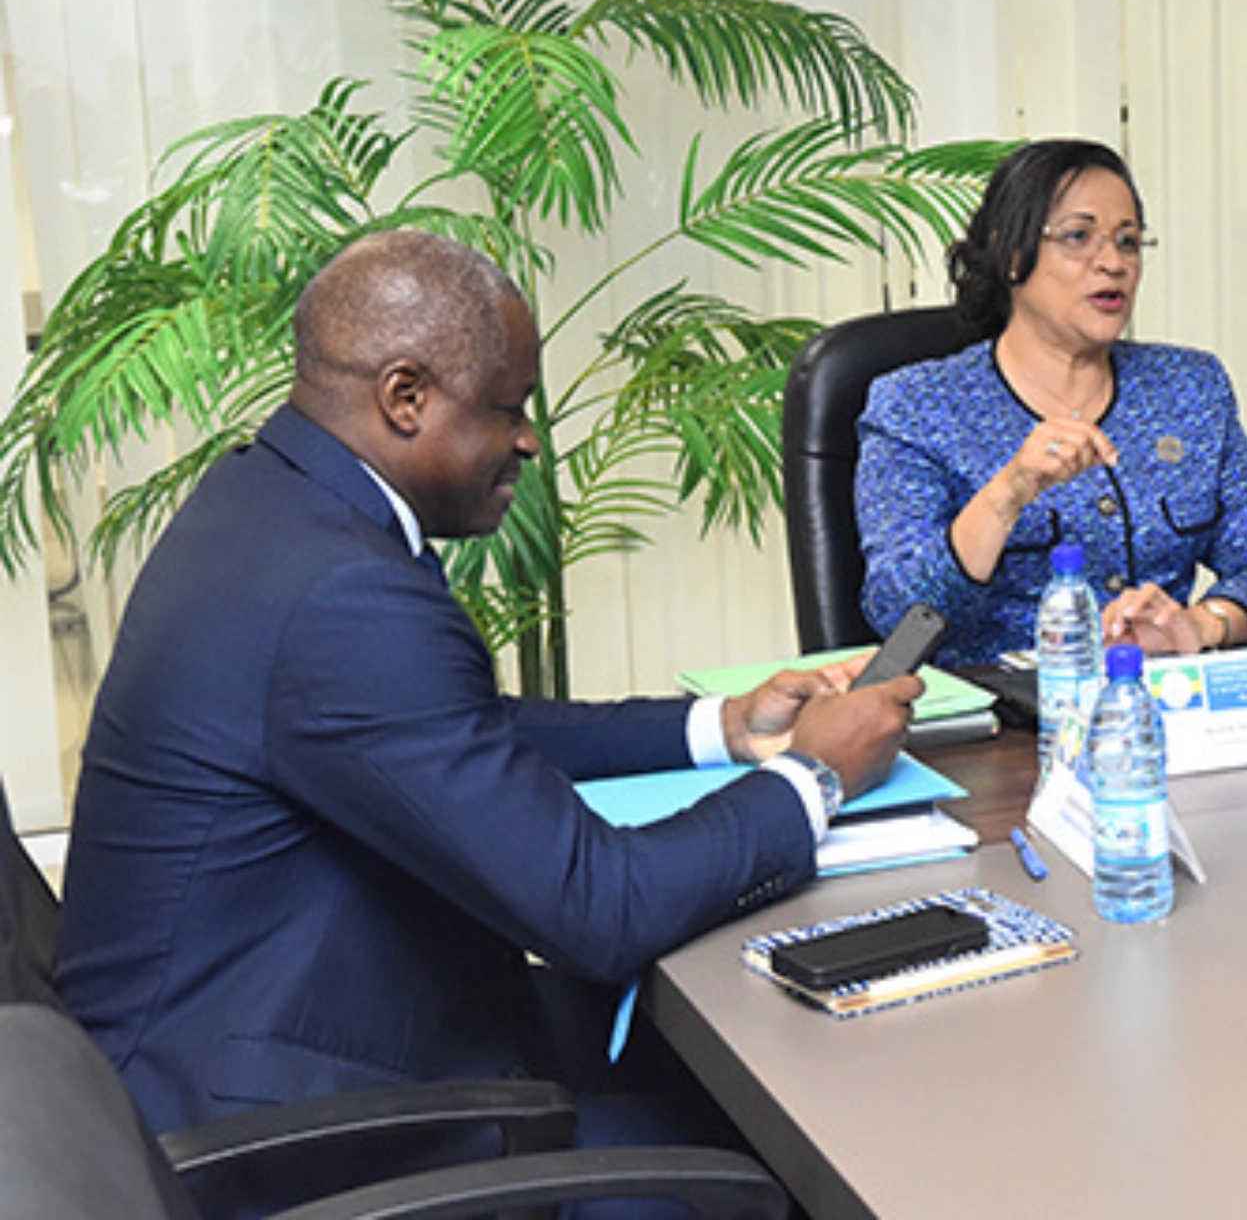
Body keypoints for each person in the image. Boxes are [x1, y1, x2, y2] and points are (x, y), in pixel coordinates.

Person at [55, 231, 921, 1143]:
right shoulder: (341, 594)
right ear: (405, 397)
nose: (529, 441)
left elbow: (456, 731)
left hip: (270, 1028)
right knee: (779, 1135)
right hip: (277, 1127)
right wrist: (813, 777)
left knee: (727, 1055)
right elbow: (599, 908)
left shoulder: (270, 504)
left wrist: (725, 728)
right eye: (507, 407)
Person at [858, 138, 1247, 668]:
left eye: (1128, 242)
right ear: (1012, 255)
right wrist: (1008, 494)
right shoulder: (916, 407)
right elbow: (896, 612)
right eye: (1079, 237)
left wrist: (1201, 625)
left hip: (1158, 706)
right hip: (1001, 727)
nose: (1112, 263)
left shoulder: (1191, 386)